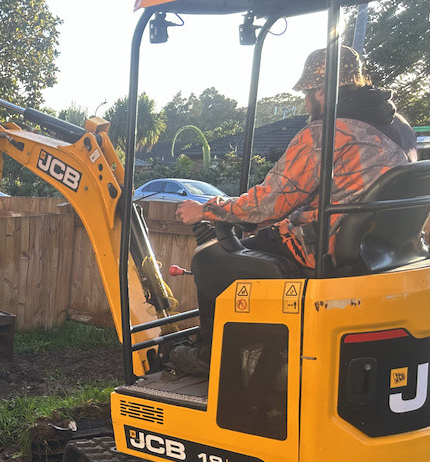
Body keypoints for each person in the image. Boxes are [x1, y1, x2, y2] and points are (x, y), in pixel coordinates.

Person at [170, 45, 417, 375]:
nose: (305, 103)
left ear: (321, 91)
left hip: (321, 251)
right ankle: (267, 356)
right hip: (384, 253)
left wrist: (208, 209)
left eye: (307, 94)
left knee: (210, 261)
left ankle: (210, 357)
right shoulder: (401, 128)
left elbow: (270, 203)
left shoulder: (327, 132)